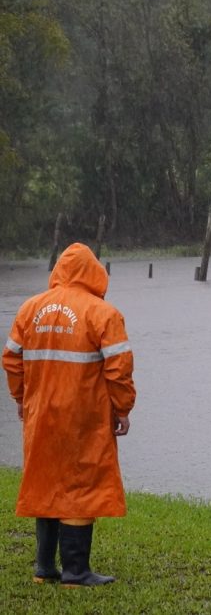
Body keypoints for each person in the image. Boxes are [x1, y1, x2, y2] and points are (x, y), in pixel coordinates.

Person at [2, 242, 137, 587]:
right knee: (81, 485)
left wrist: (21, 397)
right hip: (83, 417)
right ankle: (76, 572)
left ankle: (44, 568)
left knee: (44, 481)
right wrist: (122, 407)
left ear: (59, 270)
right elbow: (119, 369)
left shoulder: (30, 308)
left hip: (40, 415)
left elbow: (11, 359)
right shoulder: (103, 314)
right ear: (94, 272)